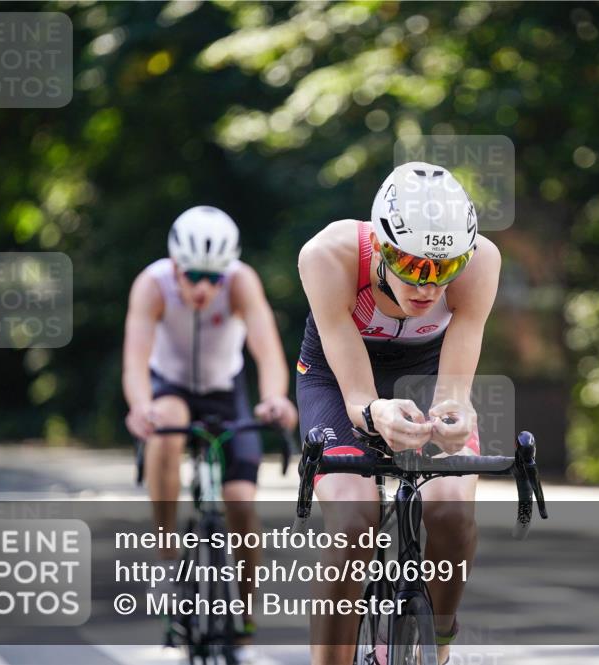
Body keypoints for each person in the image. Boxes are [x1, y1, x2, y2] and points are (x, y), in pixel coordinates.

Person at [296, 162, 501, 665]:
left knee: (452, 511)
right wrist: (372, 412)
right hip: (337, 373)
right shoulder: (329, 255)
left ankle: (442, 634)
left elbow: (455, 387)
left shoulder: (482, 262)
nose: (428, 286)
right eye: (412, 265)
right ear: (382, 247)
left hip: (425, 371)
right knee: (351, 523)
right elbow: (358, 398)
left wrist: (455, 411)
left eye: (444, 268)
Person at [122, 205, 298, 660]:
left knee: (241, 503)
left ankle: (245, 621)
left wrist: (276, 398)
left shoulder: (242, 281)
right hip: (170, 387)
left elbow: (268, 352)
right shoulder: (153, 284)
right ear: (176, 265)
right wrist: (140, 407)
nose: (203, 287)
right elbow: (136, 357)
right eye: (194, 274)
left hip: (226, 391)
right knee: (165, 419)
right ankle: (165, 551)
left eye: (214, 277)